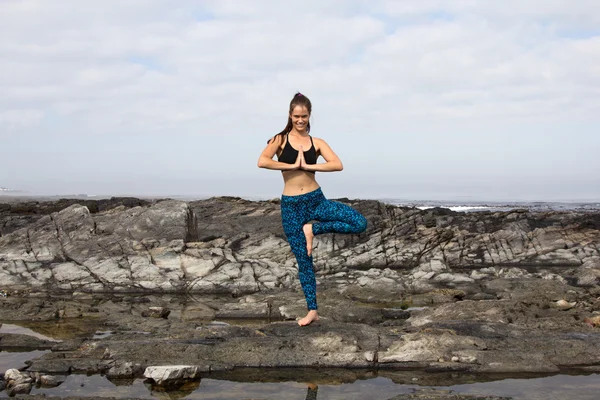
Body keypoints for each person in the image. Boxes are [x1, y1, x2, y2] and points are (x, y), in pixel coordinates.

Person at [257, 92, 367, 326]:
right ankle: (312, 311)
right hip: (291, 207)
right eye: (296, 116)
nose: (300, 120)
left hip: (316, 200)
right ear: (290, 115)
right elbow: (263, 161)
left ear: (309, 116)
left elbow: (337, 164)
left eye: (304, 116)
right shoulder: (279, 139)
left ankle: (313, 230)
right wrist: (290, 165)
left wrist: (307, 164)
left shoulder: (316, 142)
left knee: (359, 223)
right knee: (304, 261)